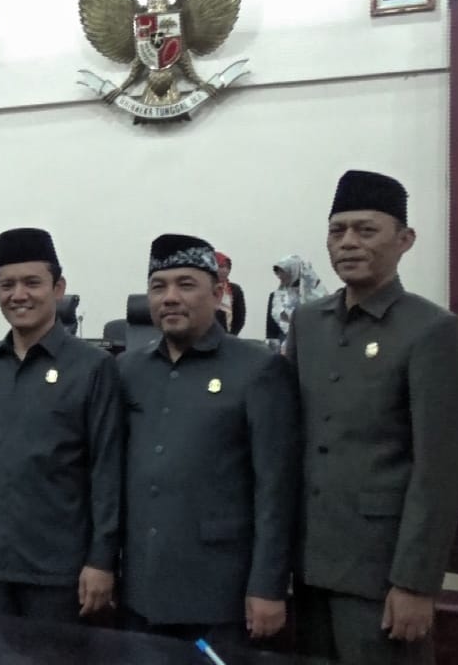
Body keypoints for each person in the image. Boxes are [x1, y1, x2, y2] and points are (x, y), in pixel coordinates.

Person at [288, 170, 458, 665]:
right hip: (307, 564)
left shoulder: (432, 330)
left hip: (380, 570)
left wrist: (416, 582)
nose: (348, 242)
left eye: (366, 230)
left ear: (405, 240)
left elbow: (441, 471)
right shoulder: (307, 324)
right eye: (338, 230)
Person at [119, 234, 299, 645]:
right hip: (141, 590)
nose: (170, 298)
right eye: (158, 286)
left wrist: (269, 584)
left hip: (219, 594)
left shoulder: (258, 369)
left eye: (186, 285)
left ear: (218, 294)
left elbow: (276, 489)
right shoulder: (128, 369)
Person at [0, 227, 122, 623]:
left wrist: (102, 559)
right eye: (7, 284)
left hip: (61, 568)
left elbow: (107, 470)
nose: (18, 295)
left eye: (32, 283)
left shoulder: (93, 367)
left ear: (58, 288)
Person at [265, 255, 327, 352]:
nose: (279, 276)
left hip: (313, 346)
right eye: (278, 273)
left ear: (294, 271)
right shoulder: (275, 297)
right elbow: (271, 331)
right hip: (283, 349)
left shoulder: (317, 296)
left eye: (282, 272)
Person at [214, 251, 246, 335]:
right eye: (221, 266)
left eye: (228, 267)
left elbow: (239, 318)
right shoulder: (203, 288)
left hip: (227, 336)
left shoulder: (235, 289)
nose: (225, 270)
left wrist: (231, 337)